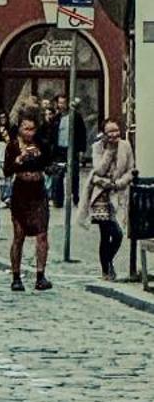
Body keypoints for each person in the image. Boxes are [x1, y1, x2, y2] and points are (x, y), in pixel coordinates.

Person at [80, 117, 135, 280]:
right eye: (110, 131)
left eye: (116, 130)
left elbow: (131, 169)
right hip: (101, 195)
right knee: (108, 233)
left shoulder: (126, 146)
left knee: (118, 234)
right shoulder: (97, 147)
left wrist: (119, 183)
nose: (114, 134)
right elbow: (99, 170)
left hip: (118, 194)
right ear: (103, 134)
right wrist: (109, 152)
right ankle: (106, 269)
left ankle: (107, 261)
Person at [4, 112, 52, 292]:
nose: (30, 132)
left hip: (38, 191)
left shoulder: (41, 143)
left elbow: (48, 163)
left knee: (42, 234)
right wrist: (20, 158)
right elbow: (7, 171)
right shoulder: (13, 146)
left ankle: (41, 275)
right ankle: (16, 276)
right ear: (20, 129)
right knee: (19, 235)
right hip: (21, 191)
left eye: (32, 129)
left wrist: (41, 157)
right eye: (26, 128)